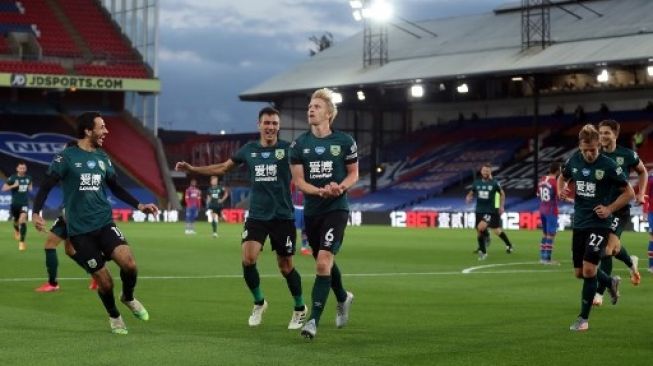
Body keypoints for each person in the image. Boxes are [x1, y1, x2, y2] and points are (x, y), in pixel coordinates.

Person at [175, 106, 307, 330]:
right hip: (257, 215)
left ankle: (300, 308)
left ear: (279, 126)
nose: (271, 127)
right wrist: (193, 169)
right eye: (267, 122)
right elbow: (223, 167)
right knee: (248, 259)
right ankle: (259, 302)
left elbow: (308, 168)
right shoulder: (249, 150)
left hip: (282, 216)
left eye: (274, 123)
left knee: (285, 267)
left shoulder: (288, 150)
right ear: (259, 125)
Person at [32, 111, 158, 335]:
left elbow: (116, 187)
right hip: (80, 231)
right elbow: (46, 184)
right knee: (105, 281)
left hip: (104, 223)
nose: (106, 131)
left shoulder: (103, 158)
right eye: (101, 127)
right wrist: (35, 212)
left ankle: (128, 297)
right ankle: (114, 315)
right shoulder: (66, 158)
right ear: (88, 131)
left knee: (130, 264)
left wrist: (139, 205)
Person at [289, 88, 358, 340]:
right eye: (310, 105)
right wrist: (319, 191)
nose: (311, 109)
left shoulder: (344, 142)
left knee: (322, 261)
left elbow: (353, 174)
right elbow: (299, 182)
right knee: (324, 260)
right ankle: (343, 297)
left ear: (329, 113)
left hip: (336, 209)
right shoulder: (299, 145)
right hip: (313, 210)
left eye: (317, 106)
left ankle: (313, 322)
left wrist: (340, 187)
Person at [558, 124, 635, 331]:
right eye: (586, 150)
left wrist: (609, 209)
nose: (590, 154)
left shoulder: (609, 165)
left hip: (599, 223)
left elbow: (629, 193)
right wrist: (561, 190)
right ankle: (610, 282)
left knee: (590, 269)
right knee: (579, 273)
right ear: (580, 147)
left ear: (598, 145)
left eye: (593, 149)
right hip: (580, 222)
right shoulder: (573, 160)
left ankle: (583, 319)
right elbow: (562, 178)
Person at [592, 120, 646, 306]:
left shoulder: (627, 154)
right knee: (614, 249)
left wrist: (640, 192)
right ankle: (631, 263)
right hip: (601, 208)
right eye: (600, 133)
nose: (603, 136)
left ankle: (599, 294)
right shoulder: (595, 156)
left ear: (615, 134)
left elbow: (643, 172)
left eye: (607, 133)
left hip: (620, 209)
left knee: (606, 249)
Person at [34, 213, 98, 292]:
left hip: (70, 215)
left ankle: (52, 284)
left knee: (50, 245)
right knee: (69, 250)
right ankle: (97, 274)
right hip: (80, 215)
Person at [465, 163, 514, 260]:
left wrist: (501, 206)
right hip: (479, 210)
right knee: (494, 231)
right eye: (484, 170)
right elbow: (471, 192)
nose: (485, 172)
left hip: (491, 210)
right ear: (481, 171)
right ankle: (508, 245)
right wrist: (468, 197)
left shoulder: (495, 183)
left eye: (487, 170)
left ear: (490, 172)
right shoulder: (477, 183)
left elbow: (502, 194)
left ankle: (483, 253)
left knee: (481, 228)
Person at [2, 161, 32, 251]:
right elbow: (4, 188)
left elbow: (30, 187)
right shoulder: (13, 178)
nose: (22, 170)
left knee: (22, 220)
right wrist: (13, 186)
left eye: (24, 168)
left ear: (25, 169)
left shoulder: (28, 178)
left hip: (24, 203)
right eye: (20, 168)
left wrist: (29, 188)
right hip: (15, 204)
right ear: (17, 169)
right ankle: (17, 230)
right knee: (16, 221)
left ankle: (22, 242)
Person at [537, 162, 562, 265]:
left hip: (542, 209)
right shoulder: (555, 182)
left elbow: (538, 195)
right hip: (551, 210)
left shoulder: (542, 180)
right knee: (551, 234)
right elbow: (560, 196)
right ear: (558, 170)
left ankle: (542, 257)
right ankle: (547, 259)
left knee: (545, 233)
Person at [291, 182, 310, 255]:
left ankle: (304, 248)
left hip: (305, 209)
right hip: (297, 209)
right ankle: (291, 246)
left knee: (305, 230)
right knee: (291, 229)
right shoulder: (294, 186)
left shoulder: (306, 185)